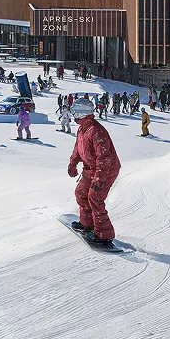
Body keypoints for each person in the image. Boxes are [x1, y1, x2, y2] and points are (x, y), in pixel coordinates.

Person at [68, 97, 122, 248]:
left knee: (95, 198)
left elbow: (104, 157)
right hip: (91, 168)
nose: (73, 114)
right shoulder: (82, 128)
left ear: (81, 112)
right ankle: (87, 224)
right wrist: (72, 164)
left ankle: (104, 235)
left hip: (106, 170)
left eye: (74, 111)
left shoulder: (96, 131)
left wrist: (99, 178)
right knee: (81, 193)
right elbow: (78, 149)